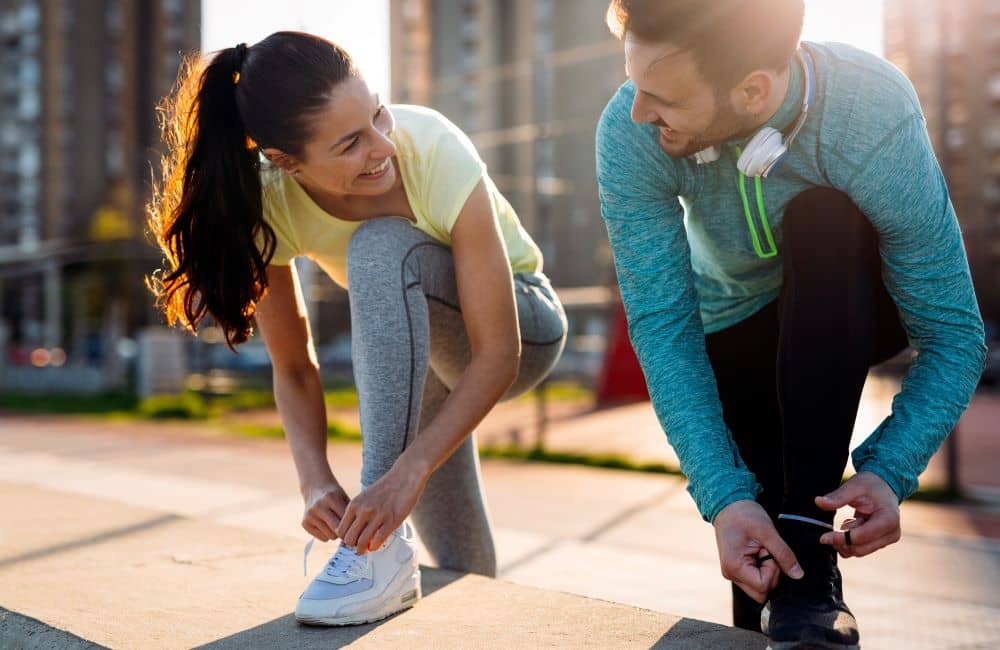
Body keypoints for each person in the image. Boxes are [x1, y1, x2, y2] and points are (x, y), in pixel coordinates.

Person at [595, 1, 986, 647]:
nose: (638, 111)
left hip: (853, 302)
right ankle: (796, 600)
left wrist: (891, 469)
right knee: (759, 543)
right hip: (734, 325)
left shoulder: (869, 110)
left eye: (661, 96)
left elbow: (953, 335)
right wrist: (723, 497)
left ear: (752, 90)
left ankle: (812, 573)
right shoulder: (630, 130)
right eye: (635, 83)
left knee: (823, 216)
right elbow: (664, 328)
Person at [147, 32, 566, 626]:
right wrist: (314, 480)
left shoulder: (432, 148)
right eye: (350, 143)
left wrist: (404, 473)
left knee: (379, 247)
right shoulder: (270, 205)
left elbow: (499, 353)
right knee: (459, 559)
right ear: (286, 162)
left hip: (525, 328)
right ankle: (434, 598)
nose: (382, 147)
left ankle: (369, 555)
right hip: (421, 350)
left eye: (376, 113)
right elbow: (293, 366)